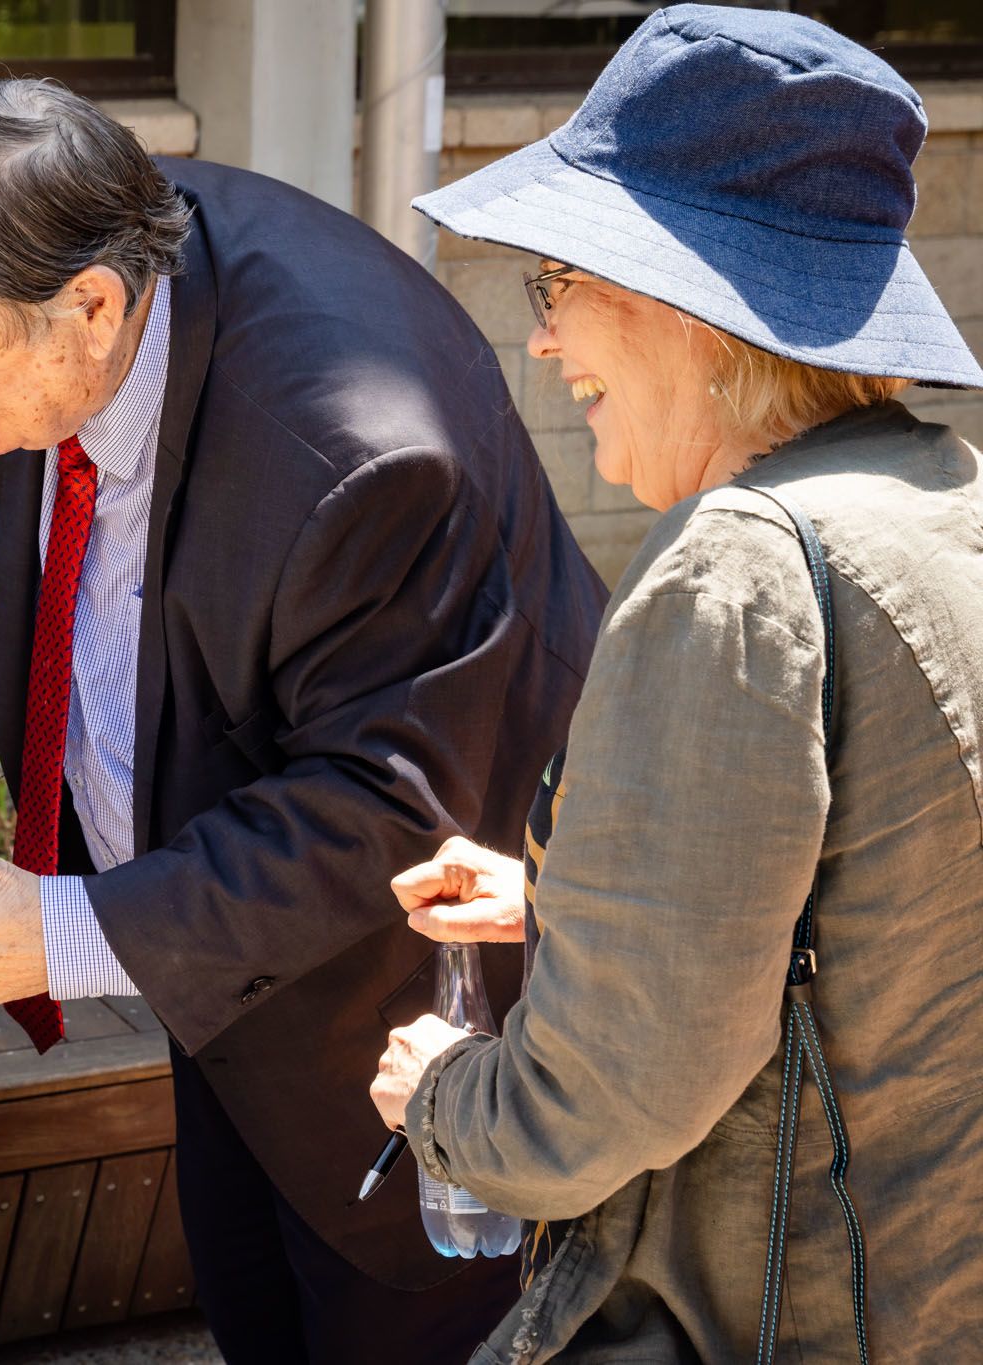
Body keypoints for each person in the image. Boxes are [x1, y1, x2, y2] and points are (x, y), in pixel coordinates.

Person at [0, 80, 608, 1360]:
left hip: (388, 1016)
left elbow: (382, 810)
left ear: (87, 306)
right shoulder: (97, 284)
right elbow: (10, 488)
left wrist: (74, 929)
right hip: (212, 967)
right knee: (247, 1305)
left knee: (377, 1319)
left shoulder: (358, 462)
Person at [368, 8, 983, 1361]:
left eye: (553, 286)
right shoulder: (942, 500)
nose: (542, 345)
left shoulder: (739, 567)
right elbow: (895, 900)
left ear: (677, 299)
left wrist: (446, 1097)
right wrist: (580, 896)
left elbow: (612, 1096)